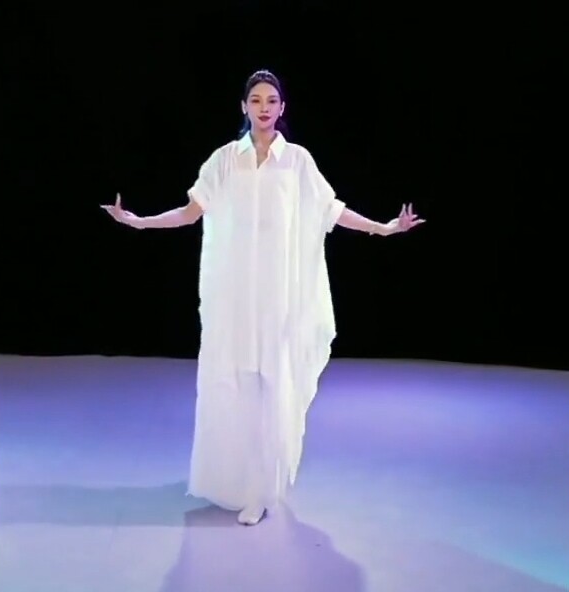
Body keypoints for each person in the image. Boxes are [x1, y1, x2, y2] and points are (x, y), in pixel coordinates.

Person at [101, 69, 424, 526]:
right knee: (233, 385)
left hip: (277, 297)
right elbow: (191, 212)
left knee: (271, 386)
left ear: (282, 107)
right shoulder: (224, 160)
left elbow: (331, 210)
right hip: (234, 296)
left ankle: (261, 489)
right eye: (256, 100)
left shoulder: (297, 162)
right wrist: (138, 221)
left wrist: (384, 228)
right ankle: (230, 480)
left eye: (272, 100)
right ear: (244, 107)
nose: (264, 108)